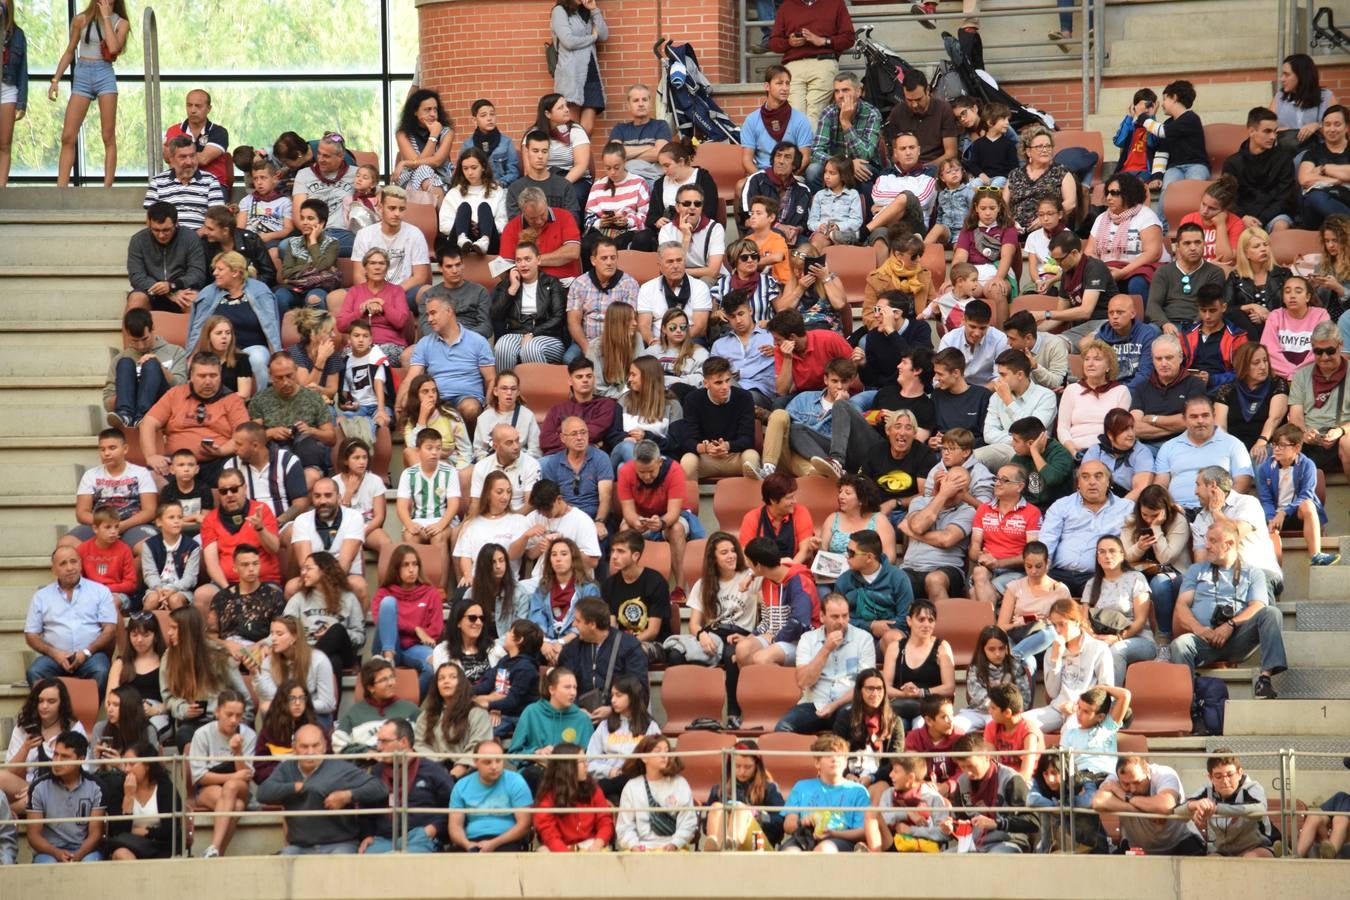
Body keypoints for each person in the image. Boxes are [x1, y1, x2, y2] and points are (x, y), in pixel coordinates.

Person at [1169, 520, 1287, 699]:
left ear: (1230, 544)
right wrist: (1200, 630)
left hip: (1238, 638)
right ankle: (1188, 701)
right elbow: (1181, 605)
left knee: (1272, 613)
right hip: (1203, 639)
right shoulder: (1196, 570)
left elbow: (1258, 605)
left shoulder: (1253, 572)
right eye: (1206, 540)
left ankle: (1264, 680)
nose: (1206, 546)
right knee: (1180, 644)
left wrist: (1230, 625)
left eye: (1213, 541)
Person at [257, 723, 385, 855]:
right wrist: (297, 787)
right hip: (300, 846)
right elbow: (263, 793)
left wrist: (347, 796)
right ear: (294, 748)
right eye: (304, 746)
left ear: (324, 747)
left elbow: (379, 788)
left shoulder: (340, 767)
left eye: (315, 745)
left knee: (341, 863)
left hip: (341, 844)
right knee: (282, 861)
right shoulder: (286, 768)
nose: (310, 752)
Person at [774, 593, 875, 734]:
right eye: (835, 617)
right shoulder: (807, 639)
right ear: (822, 617)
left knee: (847, 721)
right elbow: (803, 682)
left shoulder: (864, 639)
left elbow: (865, 685)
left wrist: (833, 706)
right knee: (782, 728)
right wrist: (826, 649)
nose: (841, 622)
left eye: (845, 616)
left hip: (848, 704)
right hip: (814, 704)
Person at [23, 546, 117, 694]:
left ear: (80, 564)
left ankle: (86, 714)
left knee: (101, 670)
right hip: (54, 658)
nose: (70, 568)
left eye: (73, 562)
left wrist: (86, 652)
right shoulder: (42, 596)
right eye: (63, 564)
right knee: (35, 671)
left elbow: (110, 629)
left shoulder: (100, 591)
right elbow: (31, 635)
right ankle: (55, 715)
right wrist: (55, 654)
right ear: (54, 569)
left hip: (90, 656)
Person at [185, 251, 281, 392]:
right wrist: (192, 355)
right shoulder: (208, 293)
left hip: (253, 348)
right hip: (218, 350)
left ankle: (259, 402)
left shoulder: (260, 291)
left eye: (220, 269)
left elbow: (272, 328)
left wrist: (276, 358)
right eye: (215, 269)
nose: (215, 273)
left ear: (235, 272)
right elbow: (198, 328)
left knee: (258, 359)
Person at [616, 440, 704, 593]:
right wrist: (636, 522)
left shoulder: (674, 470)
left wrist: (662, 523)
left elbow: (674, 513)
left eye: (650, 471)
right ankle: (627, 584)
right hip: (641, 516)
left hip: (669, 517)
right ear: (635, 464)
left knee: (676, 529)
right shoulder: (625, 472)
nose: (647, 476)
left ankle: (680, 588)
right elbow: (628, 511)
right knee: (625, 529)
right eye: (641, 472)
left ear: (659, 462)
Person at [402, 290, 495, 433]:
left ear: (449, 311)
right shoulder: (424, 343)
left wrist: (489, 405)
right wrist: (400, 403)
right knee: (418, 404)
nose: (429, 319)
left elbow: (491, 379)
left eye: (433, 313)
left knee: (470, 408)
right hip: (436, 398)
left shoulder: (478, 341)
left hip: (467, 398)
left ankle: (469, 451)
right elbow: (411, 378)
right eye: (427, 315)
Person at [663, 532, 760, 667]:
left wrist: (751, 574)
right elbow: (694, 624)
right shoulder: (702, 584)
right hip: (713, 633)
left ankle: (732, 689)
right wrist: (702, 635)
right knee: (676, 655)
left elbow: (780, 565)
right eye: (724, 552)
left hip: (740, 634)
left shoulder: (750, 577)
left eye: (733, 551)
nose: (731, 556)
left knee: (731, 654)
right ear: (713, 558)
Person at [1190, 465, 1283, 599]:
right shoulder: (1201, 518)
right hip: (1224, 577)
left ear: (1212, 486)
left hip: (1260, 571)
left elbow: (1234, 534)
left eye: (1198, 485)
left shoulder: (1248, 503)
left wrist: (1216, 511)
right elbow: (1201, 561)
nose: (1195, 492)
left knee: (1259, 583)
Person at [1039, 461, 1131, 596]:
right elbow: (1047, 540)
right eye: (1085, 477)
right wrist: (1042, 574)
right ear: (1078, 483)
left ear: (1109, 482)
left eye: (1098, 476)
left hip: (1100, 575)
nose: (1092, 482)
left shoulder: (1126, 508)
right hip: (1058, 574)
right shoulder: (1062, 505)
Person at [1121, 485, 1192, 651]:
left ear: (1165, 510)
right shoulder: (1131, 521)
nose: (1148, 519)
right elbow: (1125, 557)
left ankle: (1164, 639)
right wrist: (1139, 547)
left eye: (1154, 515)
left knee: (1159, 584)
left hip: (1175, 575)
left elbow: (1166, 557)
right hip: (1142, 571)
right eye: (1144, 515)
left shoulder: (1178, 521)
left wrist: (1156, 528)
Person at [1, 678, 87, 813]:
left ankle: (6, 813)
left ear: (61, 704)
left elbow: (81, 771)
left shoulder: (74, 727)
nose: (44, 706)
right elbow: (9, 773)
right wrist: (25, 748)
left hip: (59, 787)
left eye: (51, 701)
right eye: (40, 701)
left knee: (32, 799)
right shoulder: (23, 727)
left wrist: (36, 788)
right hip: (25, 786)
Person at [760, 357, 856, 478]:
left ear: (851, 382)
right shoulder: (805, 398)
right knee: (780, 415)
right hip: (788, 452)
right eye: (835, 381)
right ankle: (768, 467)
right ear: (826, 380)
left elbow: (847, 447)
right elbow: (786, 427)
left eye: (844, 382)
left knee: (815, 471)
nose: (840, 386)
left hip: (818, 458)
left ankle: (828, 470)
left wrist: (840, 406)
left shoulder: (853, 409)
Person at [1093, 755, 1206, 855]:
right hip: (1137, 848)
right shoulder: (1115, 778)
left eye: (1137, 782)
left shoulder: (1165, 774)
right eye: (1126, 784)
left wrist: (1126, 796)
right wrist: (1144, 811)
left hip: (1181, 843)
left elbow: (1165, 805)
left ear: (1147, 770)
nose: (1132, 789)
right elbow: (1098, 802)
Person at [188, 688, 254, 858]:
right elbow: (199, 777)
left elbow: (246, 776)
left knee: (231, 787)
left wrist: (238, 752)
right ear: (217, 712)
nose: (234, 720)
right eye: (229, 714)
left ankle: (214, 846)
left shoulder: (249, 735)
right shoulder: (202, 734)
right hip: (208, 787)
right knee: (236, 805)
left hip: (240, 788)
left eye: (238, 716)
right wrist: (232, 776)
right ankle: (218, 853)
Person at [1081, 536, 1156, 684]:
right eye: (1101, 552)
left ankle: (1112, 702)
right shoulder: (1091, 584)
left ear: (1122, 555)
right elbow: (1084, 620)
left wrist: (1118, 638)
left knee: (1115, 650)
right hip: (1101, 639)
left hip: (1137, 639)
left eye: (1112, 551)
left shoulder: (1136, 578)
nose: (1107, 556)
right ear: (1097, 557)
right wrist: (1096, 639)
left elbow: (1140, 620)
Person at [735, 536, 819, 669]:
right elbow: (767, 620)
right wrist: (751, 637)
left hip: (802, 640)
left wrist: (774, 639)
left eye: (747, 560)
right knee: (742, 649)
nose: (746, 564)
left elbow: (799, 623)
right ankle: (752, 689)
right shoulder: (766, 579)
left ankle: (778, 689)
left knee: (761, 658)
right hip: (776, 637)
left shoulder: (799, 582)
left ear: (758, 565)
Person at [948, 733, 1038, 853]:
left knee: (992, 861)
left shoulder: (1011, 779)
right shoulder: (962, 782)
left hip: (1010, 842)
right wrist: (950, 827)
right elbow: (961, 821)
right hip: (974, 845)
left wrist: (996, 823)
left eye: (971, 766)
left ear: (986, 756)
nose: (967, 772)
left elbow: (1033, 821)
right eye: (963, 767)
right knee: (942, 861)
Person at [898, 465, 975, 602]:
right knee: (896, 580)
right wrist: (943, 495)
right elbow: (918, 526)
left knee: (934, 580)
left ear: (966, 492)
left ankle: (944, 624)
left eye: (959, 489)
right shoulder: (919, 501)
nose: (953, 492)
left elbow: (946, 540)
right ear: (942, 483)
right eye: (951, 486)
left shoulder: (968, 511)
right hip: (910, 567)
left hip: (946, 570)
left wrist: (913, 534)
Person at [25, 731, 104, 863]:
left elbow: (95, 833)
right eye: (55, 754)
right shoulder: (38, 787)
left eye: (65, 757)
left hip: (84, 850)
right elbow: (33, 835)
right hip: (49, 851)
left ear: (81, 759)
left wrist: (79, 854)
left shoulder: (96, 787)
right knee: (47, 863)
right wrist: (56, 852)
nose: (57, 761)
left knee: (91, 863)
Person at [968, 465, 1039, 608]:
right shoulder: (983, 509)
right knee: (979, 571)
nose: (997, 483)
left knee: (974, 592)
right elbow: (974, 547)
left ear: (1019, 486)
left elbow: (1032, 555)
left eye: (1004, 480)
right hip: (986, 568)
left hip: (1016, 572)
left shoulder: (1032, 512)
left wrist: (998, 563)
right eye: (997, 478)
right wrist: (981, 557)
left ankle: (988, 626)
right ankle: (992, 627)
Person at [446, 738, 534, 852]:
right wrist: (467, 844)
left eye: (499, 761)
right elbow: (455, 826)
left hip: (507, 840)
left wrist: (493, 843)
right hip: (470, 842)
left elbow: (524, 825)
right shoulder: (461, 785)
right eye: (488, 762)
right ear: (475, 762)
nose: (494, 766)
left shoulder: (516, 781)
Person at [1287, 321, 1350, 478]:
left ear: (1340, 345)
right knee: (1282, 447)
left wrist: (1341, 430)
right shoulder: (1301, 375)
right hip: (1312, 441)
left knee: (1347, 443)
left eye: (1330, 351)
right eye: (1318, 352)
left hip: (1342, 436)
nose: (1324, 357)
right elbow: (1295, 417)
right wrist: (1304, 434)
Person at [613, 734, 696, 851]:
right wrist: (634, 846)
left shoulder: (680, 783)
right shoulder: (632, 787)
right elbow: (625, 826)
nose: (664, 755)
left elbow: (688, 821)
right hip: (641, 849)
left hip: (673, 848)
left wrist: (675, 844)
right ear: (644, 758)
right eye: (658, 751)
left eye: (667, 751)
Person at [491, 243, 568, 369]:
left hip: (548, 336)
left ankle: (539, 389)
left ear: (538, 260)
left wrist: (533, 333)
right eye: (519, 260)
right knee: (502, 346)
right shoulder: (510, 283)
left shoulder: (551, 282)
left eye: (527, 259)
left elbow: (558, 317)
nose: (523, 264)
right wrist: (513, 288)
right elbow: (496, 315)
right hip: (517, 333)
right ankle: (507, 388)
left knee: (530, 348)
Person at [1185, 752, 1276, 857]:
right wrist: (1196, 805)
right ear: (1210, 778)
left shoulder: (1252, 787)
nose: (1225, 781)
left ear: (1240, 773)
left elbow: (1260, 810)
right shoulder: (1206, 790)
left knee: (1250, 858)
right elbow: (1177, 809)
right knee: (1210, 861)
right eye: (1218, 776)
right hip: (1223, 851)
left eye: (1230, 775)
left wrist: (1216, 809)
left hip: (1258, 846)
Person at [702, 740, 787, 851]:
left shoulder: (769, 788)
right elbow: (705, 826)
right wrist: (726, 816)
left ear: (757, 766)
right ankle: (715, 844)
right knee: (717, 807)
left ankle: (733, 844)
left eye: (747, 767)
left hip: (758, 843)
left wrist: (758, 815)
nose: (742, 772)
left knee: (740, 809)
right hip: (723, 841)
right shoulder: (718, 790)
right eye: (737, 766)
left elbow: (780, 827)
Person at [585, 675, 660, 800]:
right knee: (613, 796)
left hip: (638, 782)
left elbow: (657, 760)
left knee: (628, 781)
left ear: (632, 696)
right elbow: (590, 761)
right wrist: (610, 771)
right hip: (609, 780)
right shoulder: (605, 725)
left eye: (618, 695)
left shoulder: (650, 726)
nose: (613, 700)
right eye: (612, 695)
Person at [1223, 107, 1297, 234]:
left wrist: (1260, 219)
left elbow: (1285, 197)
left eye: (1275, 131)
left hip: (1274, 214)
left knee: (1281, 226)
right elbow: (1228, 198)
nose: (1273, 137)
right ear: (1252, 131)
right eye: (1267, 131)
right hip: (1244, 216)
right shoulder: (1232, 163)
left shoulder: (1284, 159)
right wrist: (1243, 217)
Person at [125, 202, 208, 314]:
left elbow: (197, 273)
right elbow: (136, 276)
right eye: (156, 230)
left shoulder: (190, 238)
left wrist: (173, 286)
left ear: (176, 223)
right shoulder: (138, 240)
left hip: (182, 290)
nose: (161, 235)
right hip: (150, 292)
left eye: (166, 230)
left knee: (192, 300)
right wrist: (167, 292)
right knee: (136, 300)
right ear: (149, 224)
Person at [599, 530, 670, 658]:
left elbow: (653, 631)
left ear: (635, 556)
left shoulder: (656, 582)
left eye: (620, 551)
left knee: (635, 653)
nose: (614, 556)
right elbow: (612, 626)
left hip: (653, 643)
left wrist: (625, 645)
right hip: (620, 643)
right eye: (613, 550)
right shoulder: (608, 585)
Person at [807, 72, 883, 192]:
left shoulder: (872, 113)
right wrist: (846, 165)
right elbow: (816, 152)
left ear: (858, 91)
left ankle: (864, 210)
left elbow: (866, 155)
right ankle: (824, 206)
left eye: (845, 90)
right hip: (836, 166)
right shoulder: (828, 113)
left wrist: (846, 123)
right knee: (812, 171)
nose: (840, 95)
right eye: (837, 91)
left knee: (863, 171)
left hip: (864, 165)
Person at [1130, 334, 1207, 447]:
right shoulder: (1141, 387)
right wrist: (1178, 426)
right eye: (1158, 358)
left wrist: (1153, 419)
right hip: (1148, 447)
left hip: (1185, 445)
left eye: (1169, 358)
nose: (1164, 363)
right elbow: (1136, 428)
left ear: (1181, 357)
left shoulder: (1195, 384)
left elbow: (1193, 420)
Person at [332, 658, 421, 755]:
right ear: (370, 688)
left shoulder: (411, 710)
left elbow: (424, 744)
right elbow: (338, 745)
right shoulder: (354, 713)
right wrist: (365, 752)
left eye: (392, 677)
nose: (391, 683)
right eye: (383, 680)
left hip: (402, 766)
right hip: (365, 767)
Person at [834, 529, 911, 640]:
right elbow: (836, 619)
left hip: (888, 637)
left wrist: (885, 627)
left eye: (851, 553)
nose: (847, 556)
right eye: (847, 551)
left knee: (894, 637)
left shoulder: (898, 578)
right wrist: (870, 625)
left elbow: (906, 618)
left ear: (869, 557)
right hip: (854, 640)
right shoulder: (843, 581)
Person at [955, 626, 1033, 734]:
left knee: (999, 729)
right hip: (978, 712)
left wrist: (1003, 711)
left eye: (1001, 648)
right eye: (991, 649)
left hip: (1006, 713)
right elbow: (977, 696)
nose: (997, 653)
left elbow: (1024, 698)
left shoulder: (1015, 666)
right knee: (955, 728)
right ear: (983, 649)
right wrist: (995, 706)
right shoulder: (975, 668)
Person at [207, 543, 284, 651]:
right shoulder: (222, 597)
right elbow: (210, 635)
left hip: (260, 651)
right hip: (226, 653)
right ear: (235, 568)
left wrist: (253, 649)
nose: (251, 568)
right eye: (245, 564)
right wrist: (226, 645)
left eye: (255, 563)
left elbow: (280, 633)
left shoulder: (274, 596)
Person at [711, 289, 779, 407]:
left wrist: (778, 352)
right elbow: (712, 374)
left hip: (761, 394)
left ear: (750, 311)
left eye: (741, 314)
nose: (738, 320)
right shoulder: (719, 345)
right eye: (732, 316)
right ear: (727, 318)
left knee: (736, 393)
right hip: (729, 389)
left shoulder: (772, 336)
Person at [291, 135, 358, 256]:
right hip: (313, 232)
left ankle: (317, 253)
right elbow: (297, 215)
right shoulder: (304, 174)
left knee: (362, 245)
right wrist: (312, 237)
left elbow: (376, 198)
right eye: (319, 154)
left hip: (343, 233)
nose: (320, 159)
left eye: (326, 156)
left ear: (341, 156)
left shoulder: (357, 174)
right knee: (284, 247)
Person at [866, 135, 937, 247]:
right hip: (888, 224)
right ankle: (881, 265)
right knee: (880, 236)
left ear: (918, 150)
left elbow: (921, 200)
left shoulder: (930, 172)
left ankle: (865, 231)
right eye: (903, 149)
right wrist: (899, 203)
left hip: (915, 225)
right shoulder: (886, 173)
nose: (908, 152)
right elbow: (877, 196)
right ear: (895, 153)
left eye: (911, 147)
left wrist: (885, 208)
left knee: (907, 196)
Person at [142, 136, 225, 232]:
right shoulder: (157, 182)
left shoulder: (210, 181)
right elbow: (150, 220)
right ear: (171, 160)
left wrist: (194, 237)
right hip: (167, 238)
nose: (189, 162)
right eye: (183, 157)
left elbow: (217, 219)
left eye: (192, 156)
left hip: (200, 239)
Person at [1004, 125, 1076, 234]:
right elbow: (1003, 204)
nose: (1045, 150)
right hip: (1016, 231)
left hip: (1048, 229)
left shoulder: (1061, 172)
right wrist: (1011, 222)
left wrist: (1045, 218)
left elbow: (1070, 203)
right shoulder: (1015, 174)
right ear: (1028, 151)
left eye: (1048, 146)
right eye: (1039, 146)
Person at [1262, 276, 1330, 380]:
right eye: (1287, 292)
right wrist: (1291, 374)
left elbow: (1321, 349)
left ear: (1307, 297)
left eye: (1298, 291)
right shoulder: (1275, 316)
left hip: (1312, 376)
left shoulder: (1321, 315)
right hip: (1280, 378)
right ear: (1283, 298)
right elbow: (1269, 351)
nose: (1292, 296)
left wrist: (1298, 374)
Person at [1297, 105, 1350, 229]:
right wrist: (1339, 180)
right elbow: (1305, 180)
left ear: (1347, 127)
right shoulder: (1312, 154)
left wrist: (1324, 169)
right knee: (1315, 198)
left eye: (1337, 124)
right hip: (1318, 212)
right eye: (1327, 124)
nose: (1331, 129)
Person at [200, 203, 276, 289]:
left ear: (225, 230)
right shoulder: (205, 244)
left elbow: (269, 274)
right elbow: (203, 278)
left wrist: (244, 287)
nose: (205, 232)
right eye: (205, 227)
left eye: (210, 229)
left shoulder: (251, 241)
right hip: (218, 291)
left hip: (251, 290)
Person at [902, 695, 964, 796]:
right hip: (923, 792)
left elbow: (964, 770)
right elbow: (908, 769)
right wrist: (922, 784)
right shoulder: (914, 738)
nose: (951, 721)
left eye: (952, 715)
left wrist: (948, 786)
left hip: (954, 792)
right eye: (944, 717)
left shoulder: (959, 736)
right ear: (929, 721)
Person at [1273, 52, 1338, 148]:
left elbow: (1339, 132)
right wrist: (1277, 130)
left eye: (1286, 74)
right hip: (1286, 157)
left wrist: (1318, 126)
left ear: (1301, 75)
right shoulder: (1279, 97)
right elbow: (1267, 128)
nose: (1282, 79)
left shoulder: (1326, 97)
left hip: (1318, 157)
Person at [1180, 175, 1245, 265]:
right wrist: (1207, 265)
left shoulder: (1236, 224)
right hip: (1194, 270)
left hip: (1222, 272)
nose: (1204, 211)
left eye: (1212, 208)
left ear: (1225, 210)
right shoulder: (1188, 219)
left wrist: (1221, 225)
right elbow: (1181, 257)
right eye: (1203, 204)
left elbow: (1226, 259)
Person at [0, 2, 28, 189]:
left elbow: (23, 72)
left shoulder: (18, 35)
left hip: (7, 89)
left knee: (4, 143)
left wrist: (22, 102)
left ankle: (2, 187)